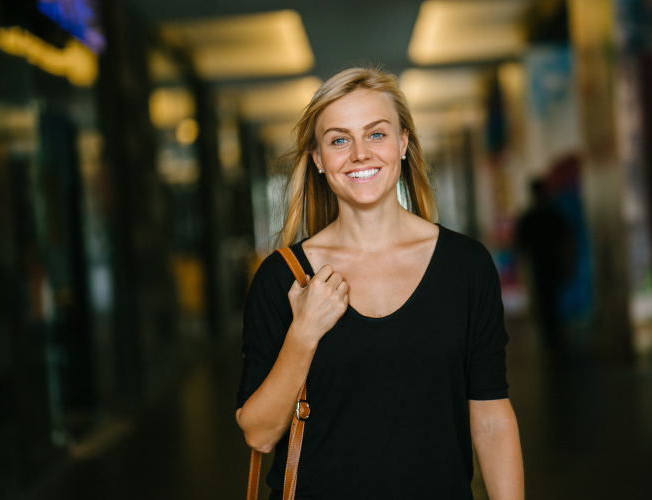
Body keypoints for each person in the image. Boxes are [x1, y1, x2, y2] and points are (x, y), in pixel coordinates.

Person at [236, 67, 523, 500]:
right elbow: (258, 434)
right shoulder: (284, 277)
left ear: (403, 143)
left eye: (375, 134)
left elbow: (490, 416)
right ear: (317, 159)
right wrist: (304, 332)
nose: (359, 154)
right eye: (338, 140)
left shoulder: (465, 267)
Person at [515, 178, 572, 359]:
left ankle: (552, 342)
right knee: (549, 304)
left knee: (547, 304)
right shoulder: (550, 215)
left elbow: (521, 246)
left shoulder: (534, 217)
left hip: (542, 265)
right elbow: (565, 242)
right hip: (545, 265)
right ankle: (554, 341)